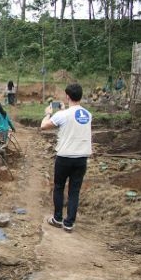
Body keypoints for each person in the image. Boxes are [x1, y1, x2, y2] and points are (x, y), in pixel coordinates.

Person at [41, 83, 92, 233]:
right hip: (82, 157)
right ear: (81, 96)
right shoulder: (88, 114)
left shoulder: (62, 115)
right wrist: (64, 110)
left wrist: (48, 113)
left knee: (59, 187)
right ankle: (69, 223)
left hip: (65, 157)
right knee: (74, 191)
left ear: (67, 96)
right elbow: (75, 120)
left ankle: (57, 218)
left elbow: (44, 126)